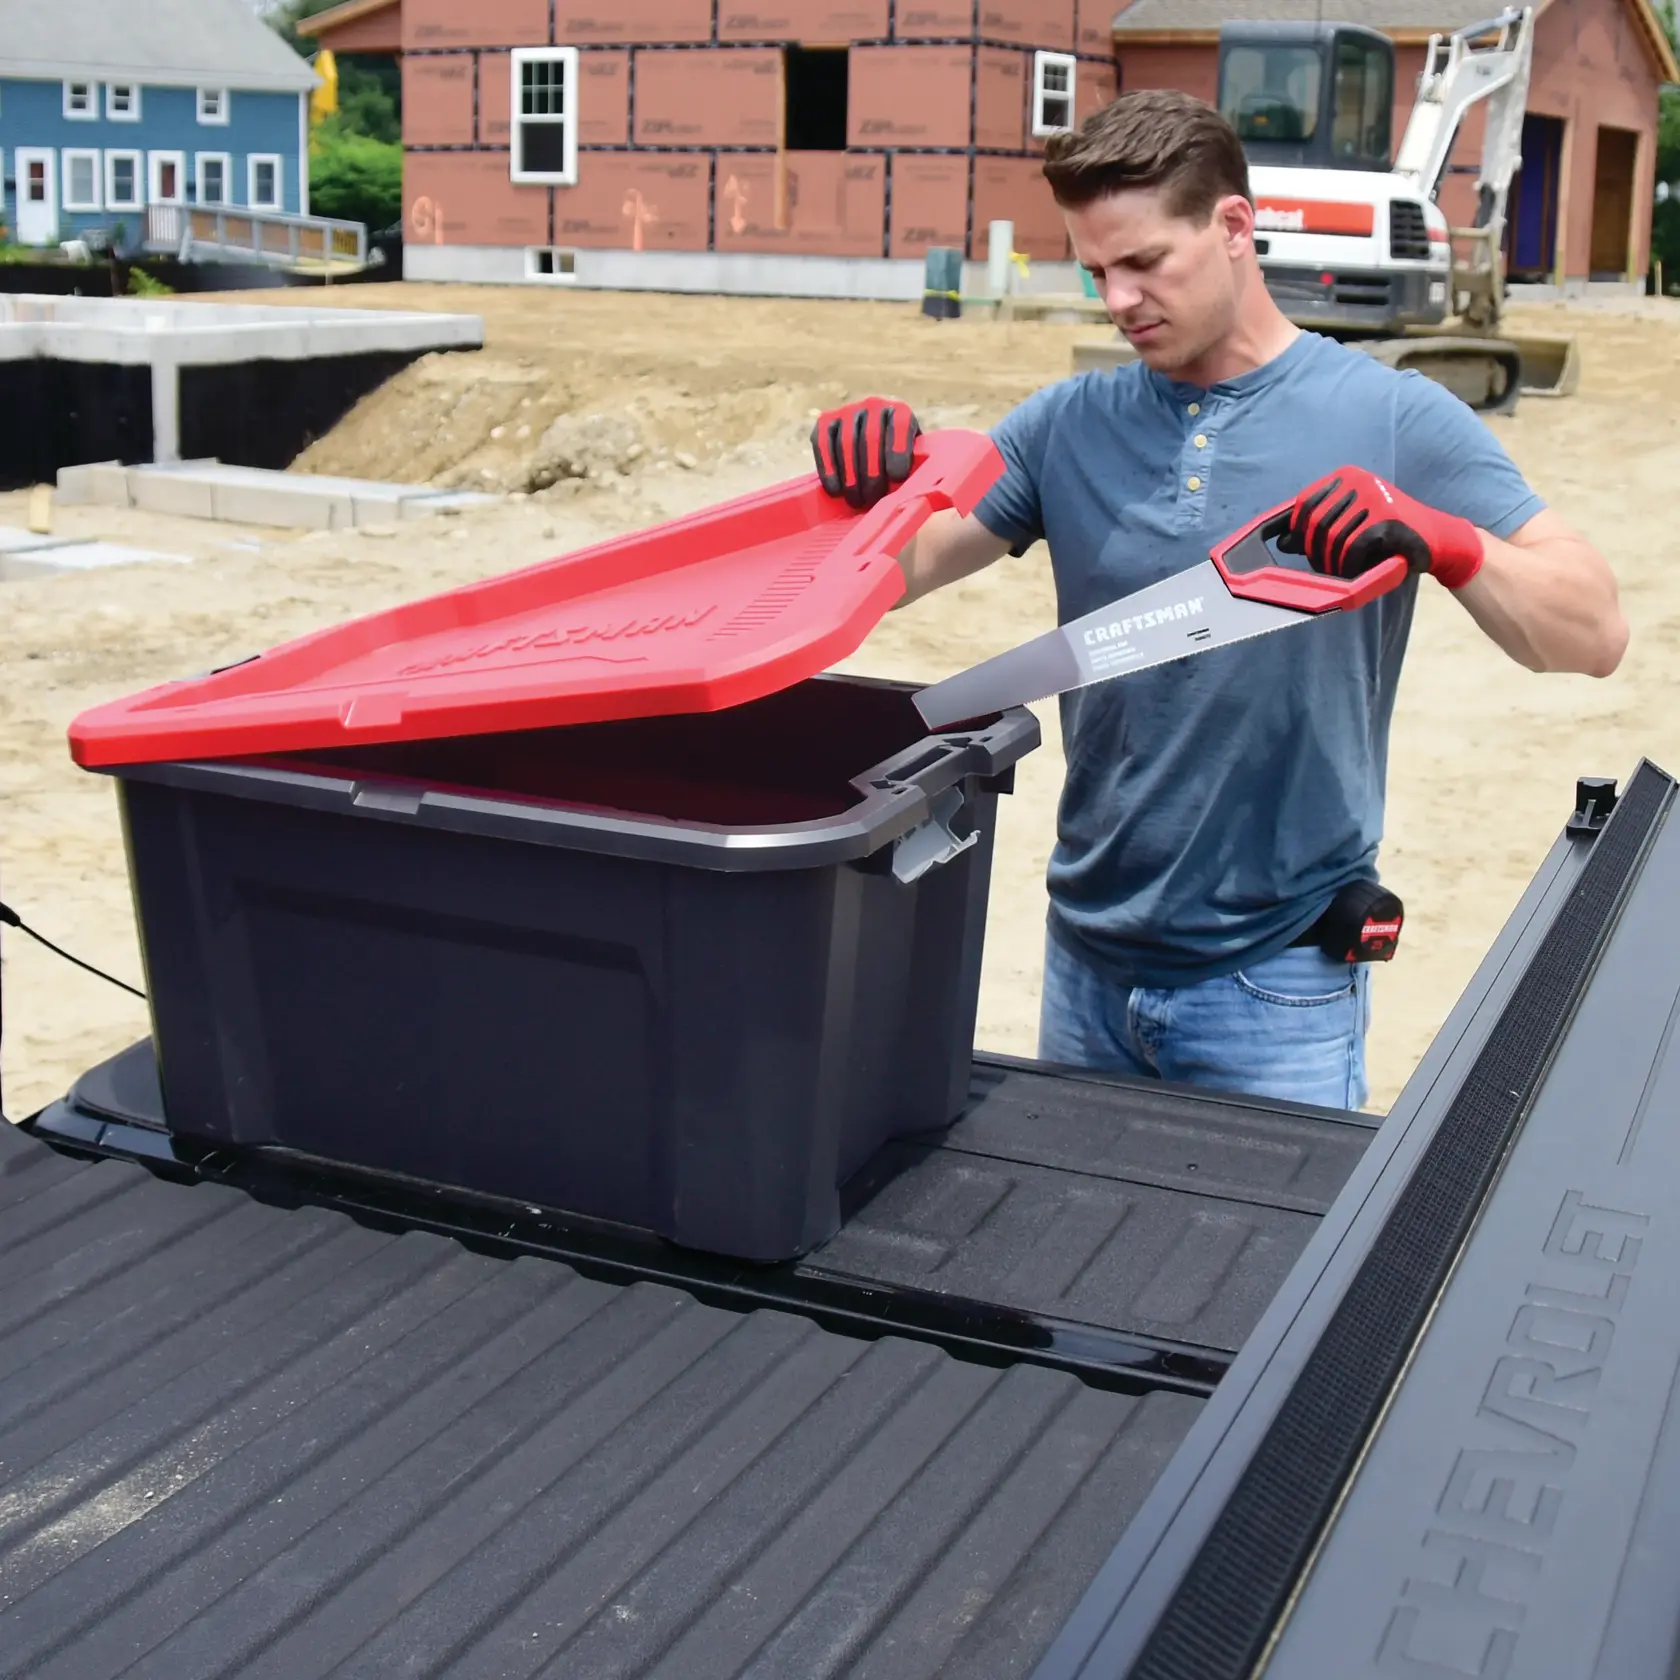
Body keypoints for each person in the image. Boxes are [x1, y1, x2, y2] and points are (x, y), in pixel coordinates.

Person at [809, 89, 1626, 1112]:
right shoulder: (1069, 424)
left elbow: (1594, 631)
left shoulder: (1389, 418)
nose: (1118, 300)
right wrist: (863, 495)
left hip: (1275, 984)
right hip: (1085, 967)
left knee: (1275, 1273)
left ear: (1234, 227)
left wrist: (1453, 544)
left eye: (1146, 263)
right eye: (1097, 270)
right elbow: (894, 576)